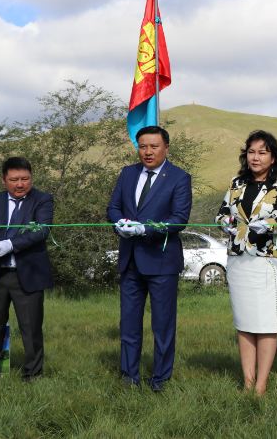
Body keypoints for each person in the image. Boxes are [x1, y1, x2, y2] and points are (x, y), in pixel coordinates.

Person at [107, 125, 192, 392]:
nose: (148, 151)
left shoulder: (179, 177)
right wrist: (118, 222)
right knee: (129, 324)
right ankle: (129, 378)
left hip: (162, 262)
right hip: (130, 260)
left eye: (154, 146)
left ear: (166, 147)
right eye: (142, 146)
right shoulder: (128, 173)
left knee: (162, 325)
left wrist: (146, 229)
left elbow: (179, 219)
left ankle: (160, 380)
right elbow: (113, 207)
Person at [215, 130, 277, 395]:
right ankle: (247, 382)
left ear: (273, 157)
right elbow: (222, 214)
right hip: (239, 260)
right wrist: (226, 223)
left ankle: (261, 385)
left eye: (262, 152)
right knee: (245, 322)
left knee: (267, 324)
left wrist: (270, 225)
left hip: (269, 262)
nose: (256, 157)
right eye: (251, 151)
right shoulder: (236, 183)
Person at [0, 157, 54, 383]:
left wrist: (11, 244)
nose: (20, 184)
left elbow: (41, 231)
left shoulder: (43, 200)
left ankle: (33, 375)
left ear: (31, 177)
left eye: (25, 179)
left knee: (31, 328)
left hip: (27, 274)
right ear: (4, 180)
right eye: (14, 180)